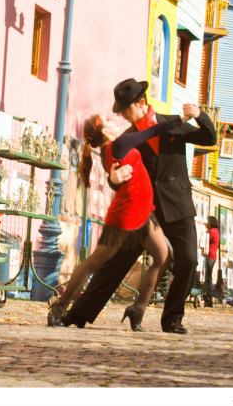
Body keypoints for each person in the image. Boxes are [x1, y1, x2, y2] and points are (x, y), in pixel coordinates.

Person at [61, 78, 217, 334]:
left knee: (188, 259)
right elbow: (117, 175)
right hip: (147, 210)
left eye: (124, 110)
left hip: (178, 204)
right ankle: (78, 314)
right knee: (116, 262)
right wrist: (112, 180)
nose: (122, 115)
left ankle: (172, 319)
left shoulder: (173, 123)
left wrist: (199, 115)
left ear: (141, 103)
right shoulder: (129, 137)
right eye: (119, 112)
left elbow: (209, 138)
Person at [48, 112, 185, 331]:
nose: (113, 120)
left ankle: (137, 309)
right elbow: (152, 131)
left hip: (143, 213)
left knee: (163, 257)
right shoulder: (119, 144)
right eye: (107, 119)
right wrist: (180, 119)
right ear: (104, 130)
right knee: (95, 261)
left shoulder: (107, 152)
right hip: (127, 214)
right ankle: (59, 307)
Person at [204, 216, 220, 307]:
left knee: (208, 279)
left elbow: (205, 241)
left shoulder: (211, 232)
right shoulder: (216, 232)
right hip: (213, 256)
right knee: (209, 277)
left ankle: (209, 299)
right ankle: (208, 298)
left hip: (209, 256)